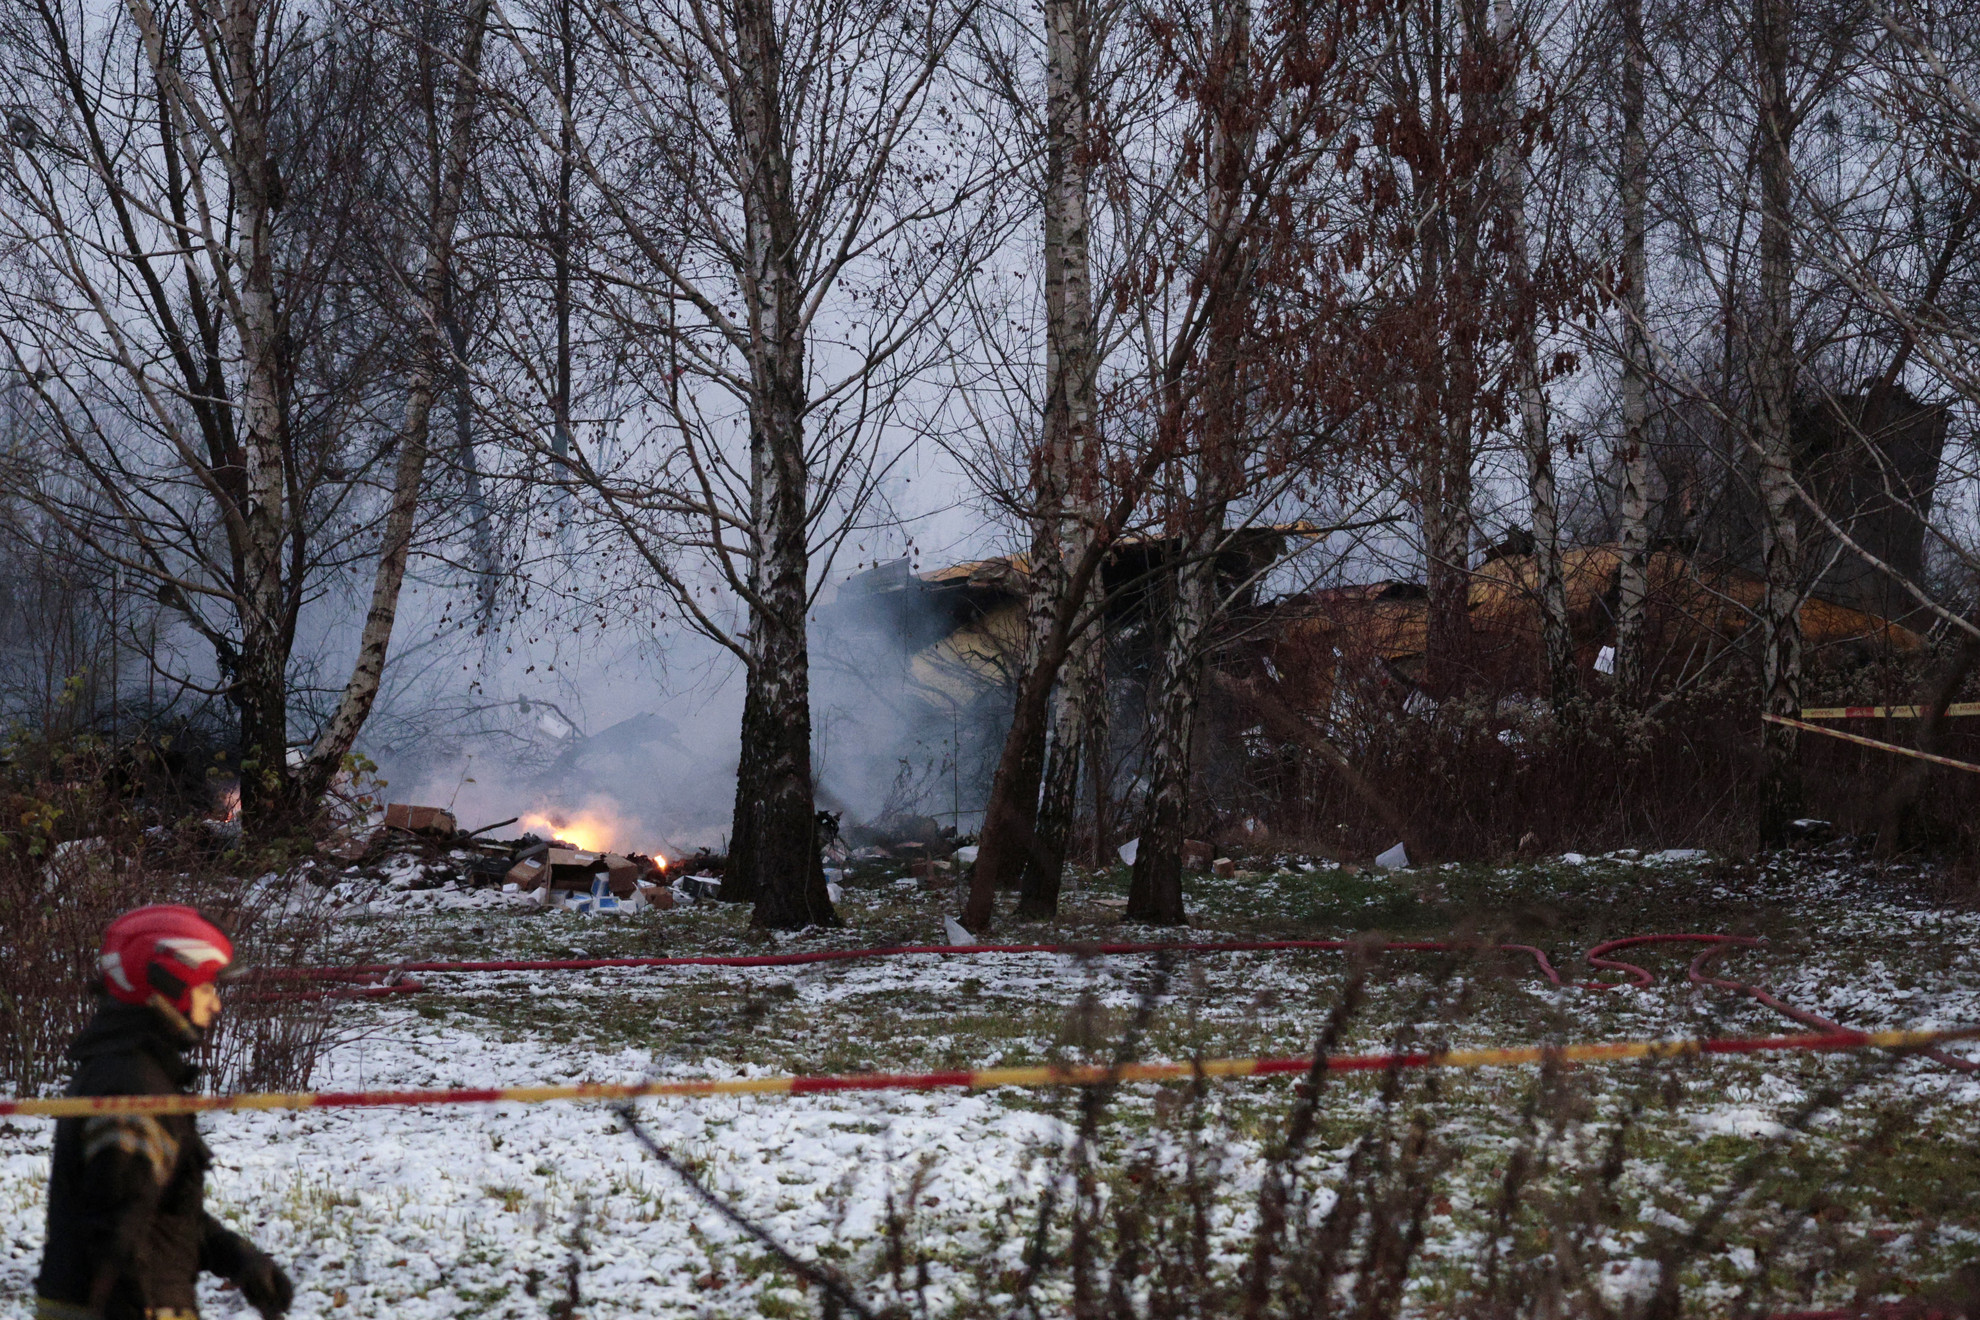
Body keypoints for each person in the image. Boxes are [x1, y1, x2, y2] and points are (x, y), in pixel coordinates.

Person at [35, 906, 293, 1320]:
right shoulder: (130, 1084)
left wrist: (239, 1259)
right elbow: (115, 1230)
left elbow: (155, 1213)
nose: (217, 1005)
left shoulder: (138, 1071)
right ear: (171, 981)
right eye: (209, 987)